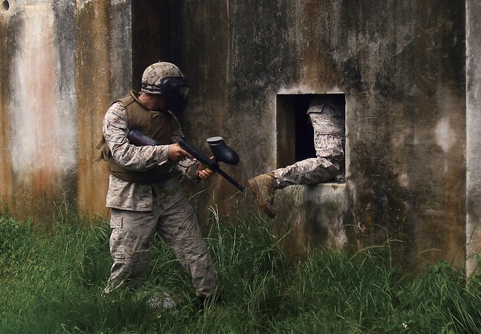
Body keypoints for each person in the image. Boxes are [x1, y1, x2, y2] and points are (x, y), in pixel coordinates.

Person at [99, 61, 220, 306]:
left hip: (169, 194)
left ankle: (211, 302)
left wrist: (196, 169)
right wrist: (166, 152)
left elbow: (179, 152)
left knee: (194, 250)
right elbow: (123, 155)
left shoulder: (169, 118)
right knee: (129, 263)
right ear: (161, 89)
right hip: (131, 197)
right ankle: (115, 310)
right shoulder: (119, 112)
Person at [248, 96, 345, 218]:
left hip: (333, 107)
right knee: (330, 163)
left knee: (340, 172)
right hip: (329, 107)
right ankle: (272, 180)